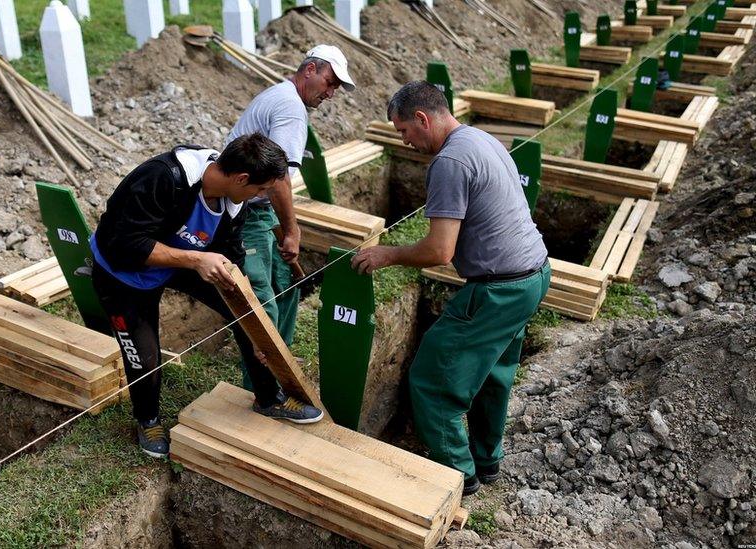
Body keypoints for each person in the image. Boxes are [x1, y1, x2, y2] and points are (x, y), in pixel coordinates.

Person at [351, 82, 551, 496]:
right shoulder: (480, 138)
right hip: (533, 274)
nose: (404, 140)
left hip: (499, 289)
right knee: (493, 374)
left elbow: (440, 250)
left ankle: (460, 475)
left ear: (423, 119)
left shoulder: (450, 162)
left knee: (431, 381)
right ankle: (487, 460)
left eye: (404, 130)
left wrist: (387, 254)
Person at [90, 134, 324, 459]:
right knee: (143, 357)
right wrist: (197, 259)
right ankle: (148, 421)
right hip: (123, 272)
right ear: (241, 178)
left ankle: (268, 399)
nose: (262, 196)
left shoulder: (234, 201)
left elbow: (231, 257)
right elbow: (124, 245)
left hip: (183, 260)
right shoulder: (164, 178)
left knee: (244, 314)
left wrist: (256, 328)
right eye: (260, 189)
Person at [226, 45, 355, 386]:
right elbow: (279, 178)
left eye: (335, 88)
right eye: (329, 82)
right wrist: (292, 232)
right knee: (261, 304)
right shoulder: (290, 108)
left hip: (259, 211)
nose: (330, 93)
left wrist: (282, 226)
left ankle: (279, 360)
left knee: (286, 284)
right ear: (309, 69)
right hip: (246, 215)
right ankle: (265, 387)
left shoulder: (281, 97)